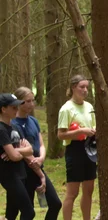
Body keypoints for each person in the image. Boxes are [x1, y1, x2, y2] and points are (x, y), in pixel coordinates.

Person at [9, 88, 62, 220]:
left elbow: (41, 144)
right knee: (27, 211)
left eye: (32, 100)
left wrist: (41, 158)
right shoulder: (13, 124)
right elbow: (23, 150)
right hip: (24, 171)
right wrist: (36, 164)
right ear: (19, 103)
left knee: (55, 203)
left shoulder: (33, 121)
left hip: (38, 166)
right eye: (28, 101)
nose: (32, 104)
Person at [57, 75, 96, 220]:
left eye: (87, 87)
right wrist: (79, 132)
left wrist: (93, 131)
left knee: (89, 189)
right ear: (73, 88)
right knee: (72, 192)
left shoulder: (89, 106)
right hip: (75, 149)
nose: (85, 90)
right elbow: (61, 135)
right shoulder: (66, 109)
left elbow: (93, 125)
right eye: (82, 87)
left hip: (90, 148)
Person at [1, 93, 36, 220]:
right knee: (29, 212)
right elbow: (14, 156)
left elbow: (30, 150)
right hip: (9, 176)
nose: (17, 110)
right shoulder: (1, 129)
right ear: (3, 109)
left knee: (11, 214)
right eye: (13, 107)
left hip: (21, 173)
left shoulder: (14, 126)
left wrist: (17, 151)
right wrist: (20, 152)